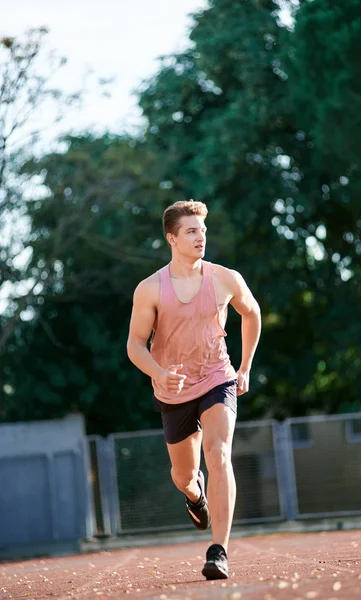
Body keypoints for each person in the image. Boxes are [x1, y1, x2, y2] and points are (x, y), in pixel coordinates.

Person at [127, 200, 261, 580]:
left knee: (218, 452)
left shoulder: (224, 278)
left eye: (203, 230)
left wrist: (245, 367)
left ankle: (219, 550)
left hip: (218, 378)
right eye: (191, 231)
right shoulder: (150, 288)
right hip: (173, 391)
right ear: (172, 238)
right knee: (183, 474)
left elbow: (251, 313)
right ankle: (194, 495)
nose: (201, 236)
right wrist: (159, 372)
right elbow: (135, 344)